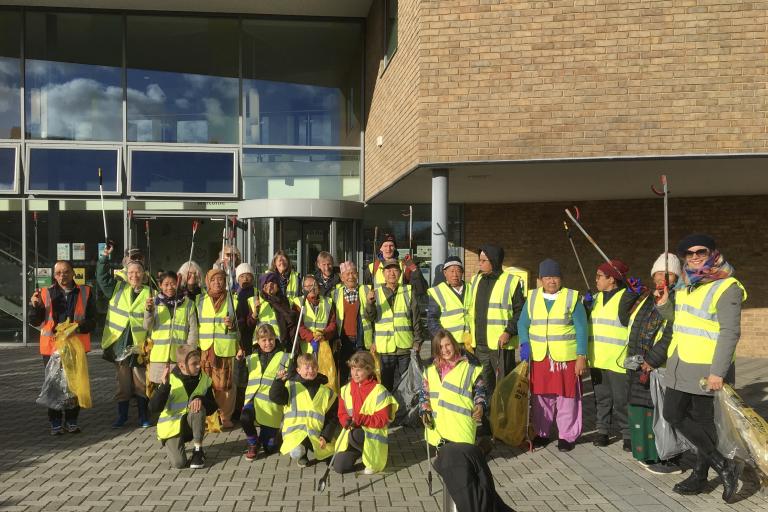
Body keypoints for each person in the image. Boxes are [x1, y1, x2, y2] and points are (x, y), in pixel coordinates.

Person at [656, 234, 745, 502]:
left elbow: (730, 332)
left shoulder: (726, 286)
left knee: (703, 421)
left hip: (705, 367)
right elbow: (680, 320)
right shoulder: (685, 283)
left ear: (713, 253)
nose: (694, 256)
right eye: (689, 253)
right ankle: (723, 465)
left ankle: (700, 476)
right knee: (673, 413)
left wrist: (718, 371)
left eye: (700, 252)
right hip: (679, 361)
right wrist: (663, 305)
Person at [517, 259, 588, 452]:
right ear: (540, 280)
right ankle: (542, 432)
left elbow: (582, 328)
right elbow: (523, 323)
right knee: (541, 397)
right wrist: (524, 343)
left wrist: (582, 355)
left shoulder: (572, 298)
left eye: (555, 277)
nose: (551, 281)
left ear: (561, 279)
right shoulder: (531, 298)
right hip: (540, 357)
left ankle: (567, 436)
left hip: (565, 358)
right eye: (547, 277)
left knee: (567, 397)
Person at [624, 253, 681, 474]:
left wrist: (652, 359)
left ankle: (664, 456)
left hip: (658, 366)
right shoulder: (648, 298)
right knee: (641, 410)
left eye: (667, 274)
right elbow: (626, 318)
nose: (661, 278)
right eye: (657, 273)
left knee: (660, 412)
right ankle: (644, 454)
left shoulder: (675, 299)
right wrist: (631, 294)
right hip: (638, 364)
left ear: (675, 276)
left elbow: (670, 333)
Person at [29, 260, 97, 435]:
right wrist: (34, 306)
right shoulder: (44, 293)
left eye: (66, 272)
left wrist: (77, 328)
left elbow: (92, 321)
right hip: (51, 348)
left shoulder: (86, 292)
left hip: (76, 346)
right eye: (58, 273)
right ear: (54, 275)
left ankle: (72, 420)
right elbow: (35, 321)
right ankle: (56, 422)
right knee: (54, 385)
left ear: (73, 273)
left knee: (74, 384)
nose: (62, 276)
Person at [97, 245, 153, 428]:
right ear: (126, 274)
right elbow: (102, 278)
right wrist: (104, 259)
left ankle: (143, 417)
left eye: (138, 272)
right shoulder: (117, 288)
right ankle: (122, 416)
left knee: (140, 384)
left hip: (140, 346)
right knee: (123, 386)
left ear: (143, 275)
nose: (134, 276)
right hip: (120, 345)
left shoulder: (151, 292)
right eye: (131, 273)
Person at [466, 245, 524, 395]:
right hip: (479, 346)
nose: (480, 263)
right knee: (483, 387)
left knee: (503, 387)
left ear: (494, 260)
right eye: (479, 260)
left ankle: (502, 418)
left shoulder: (511, 282)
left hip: (501, 346)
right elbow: (470, 309)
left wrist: (508, 332)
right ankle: (486, 418)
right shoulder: (475, 280)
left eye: (483, 260)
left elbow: (520, 311)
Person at [589, 259, 633, 450]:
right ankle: (602, 432)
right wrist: (585, 305)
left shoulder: (625, 297)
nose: (596, 279)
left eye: (600, 276)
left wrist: (634, 291)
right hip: (597, 358)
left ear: (612, 279)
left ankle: (628, 434)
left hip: (617, 359)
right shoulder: (596, 298)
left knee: (622, 400)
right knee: (602, 399)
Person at [149, 345, 217, 469]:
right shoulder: (170, 379)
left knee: (197, 404)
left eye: (199, 363)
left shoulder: (204, 379)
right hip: (171, 428)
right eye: (194, 364)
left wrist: (200, 399)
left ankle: (198, 451)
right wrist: (164, 386)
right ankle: (176, 445)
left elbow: (213, 407)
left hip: (190, 424)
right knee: (179, 464)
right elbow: (153, 408)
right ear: (181, 366)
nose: (198, 366)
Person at [364, 258, 426, 392]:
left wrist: (418, 342)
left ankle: (405, 412)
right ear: (383, 273)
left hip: (405, 347)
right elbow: (369, 318)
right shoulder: (375, 293)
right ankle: (388, 411)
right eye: (388, 270)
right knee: (385, 386)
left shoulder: (408, 291)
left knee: (407, 385)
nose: (392, 273)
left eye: (395, 270)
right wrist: (369, 303)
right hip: (385, 349)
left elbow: (416, 319)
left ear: (400, 273)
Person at [334, 351, 398, 474]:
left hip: (372, 435)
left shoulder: (379, 391)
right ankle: (360, 451)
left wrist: (360, 419)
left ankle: (373, 455)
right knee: (340, 467)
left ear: (369, 370)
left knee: (356, 435)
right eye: (353, 369)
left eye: (359, 369)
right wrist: (346, 421)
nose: (355, 373)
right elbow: (342, 413)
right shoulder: (345, 389)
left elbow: (382, 420)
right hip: (352, 431)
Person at [270, 353, 339, 467]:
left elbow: (332, 418)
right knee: (296, 452)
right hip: (296, 433)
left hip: (317, 434)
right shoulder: (290, 386)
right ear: (298, 370)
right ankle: (302, 454)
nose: (311, 370)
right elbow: (275, 397)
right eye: (307, 367)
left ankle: (318, 450)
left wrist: (326, 436)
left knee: (333, 459)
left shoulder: (327, 392)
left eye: (314, 367)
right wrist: (278, 381)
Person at [419, 330, 486, 447]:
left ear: (454, 344)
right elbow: (424, 394)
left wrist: (480, 406)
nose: (444, 350)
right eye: (440, 347)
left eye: (447, 345)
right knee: (444, 464)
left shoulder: (470, 366)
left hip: (461, 429)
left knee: (461, 463)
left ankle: (481, 450)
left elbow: (480, 391)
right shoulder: (430, 369)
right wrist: (424, 410)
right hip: (438, 431)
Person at [196, 268, 242, 430]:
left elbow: (241, 327)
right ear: (207, 282)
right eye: (213, 280)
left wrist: (232, 326)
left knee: (226, 386)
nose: (217, 283)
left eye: (220, 279)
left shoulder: (233, 300)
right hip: (206, 349)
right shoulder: (199, 301)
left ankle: (225, 416)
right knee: (206, 384)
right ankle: (208, 416)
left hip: (225, 348)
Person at [241, 324, 290, 460]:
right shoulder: (251, 357)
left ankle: (272, 436)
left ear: (275, 339)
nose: (268, 343)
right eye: (264, 340)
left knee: (269, 449)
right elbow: (240, 379)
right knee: (244, 417)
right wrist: (239, 363)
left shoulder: (286, 357)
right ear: (258, 341)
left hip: (271, 407)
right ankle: (253, 443)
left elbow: (292, 380)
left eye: (271, 339)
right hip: (253, 401)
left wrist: (285, 377)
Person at [144, 271, 199, 389]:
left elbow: (193, 331)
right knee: (159, 392)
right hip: (159, 357)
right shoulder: (153, 302)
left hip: (179, 357)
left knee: (179, 389)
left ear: (178, 283)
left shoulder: (188, 303)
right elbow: (147, 326)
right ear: (160, 285)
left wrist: (188, 354)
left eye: (173, 283)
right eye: (166, 284)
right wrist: (149, 310)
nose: (170, 287)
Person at [332, 261, 373, 386]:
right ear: (342, 277)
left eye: (354, 273)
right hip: (344, 341)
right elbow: (333, 319)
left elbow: (375, 317)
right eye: (347, 274)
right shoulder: (335, 294)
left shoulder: (367, 290)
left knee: (363, 372)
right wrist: (335, 338)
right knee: (344, 374)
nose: (351, 276)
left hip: (362, 340)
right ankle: (346, 400)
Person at [247, 272, 298, 349]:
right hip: (260, 345)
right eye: (267, 282)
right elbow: (249, 325)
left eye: (273, 282)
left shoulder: (284, 301)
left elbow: (291, 324)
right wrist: (255, 313)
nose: (270, 285)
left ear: (278, 286)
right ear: (262, 285)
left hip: (279, 343)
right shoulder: (254, 300)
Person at [233, 262, 256, 420]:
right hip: (237, 338)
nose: (245, 278)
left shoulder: (257, 294)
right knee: (239, 374)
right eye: (242, 276)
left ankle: (250, 408)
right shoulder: (234, 295)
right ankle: (238, 408)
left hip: (253, 338)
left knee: (251, 374)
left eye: (248, 275)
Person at [426, 256, 469, 340]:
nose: (455, 275)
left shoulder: (471, 288)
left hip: (469, 342)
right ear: (445, 273)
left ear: (462, 273)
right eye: (452, 271)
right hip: (448, 343)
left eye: (458, 271)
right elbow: (432, 319)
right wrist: (443, 338)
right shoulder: (437, 292)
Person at [294, 275, 337, 355]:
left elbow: (333, 324)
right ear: (303, 289)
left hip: (324, 346)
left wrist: (324, 334)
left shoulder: (328, 302)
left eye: (315, 285)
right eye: (309, 286)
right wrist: (312, 338)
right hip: (306, 349)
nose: (312, 288)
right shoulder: (298, 302)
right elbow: (298, 325)